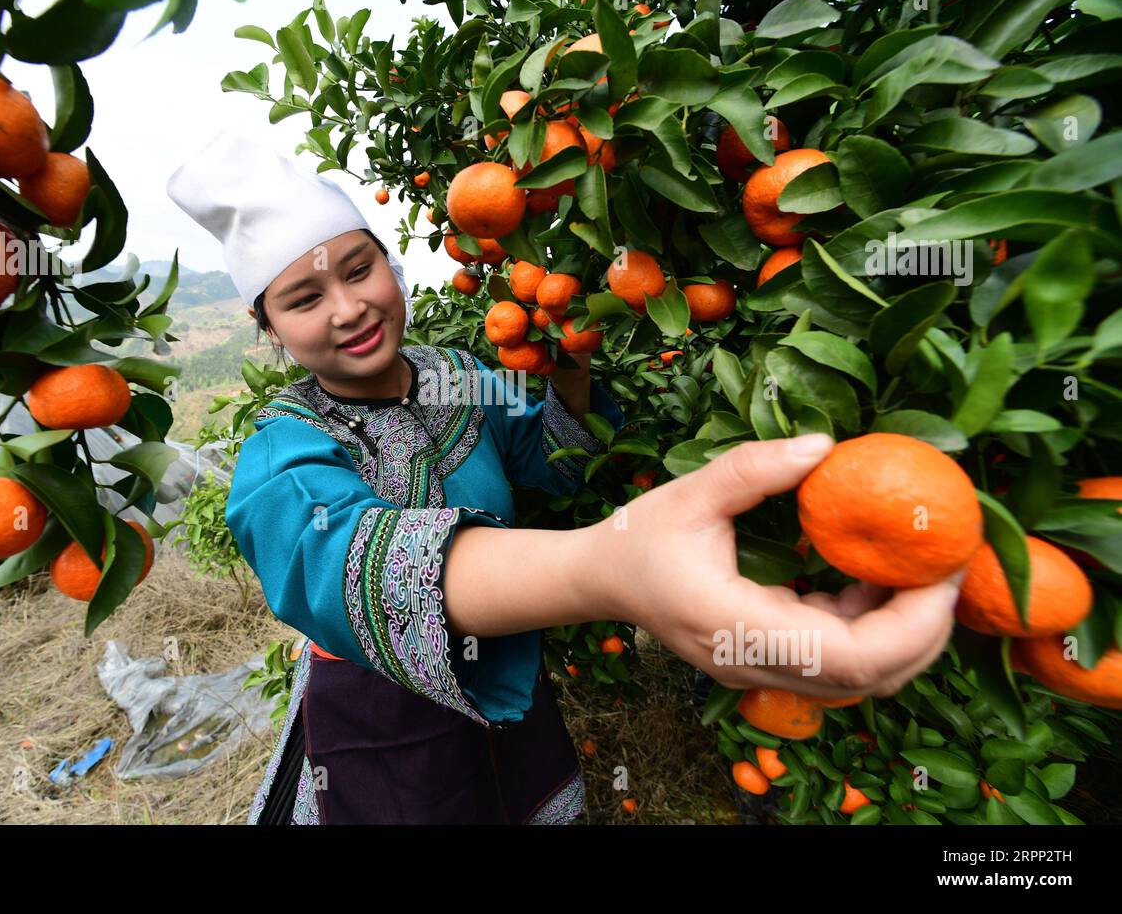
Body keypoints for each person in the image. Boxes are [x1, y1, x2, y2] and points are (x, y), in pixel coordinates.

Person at [167, 127, 963, 825]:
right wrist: (613, 567)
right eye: (304, 298)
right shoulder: (284, 449)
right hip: (382, 716)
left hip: (511, 680)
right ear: (265, 325)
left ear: (387, 262)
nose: (347, 308)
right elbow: (346, 561)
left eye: (358, 268)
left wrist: (569, 368)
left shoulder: (456, 374)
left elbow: (553, 461)